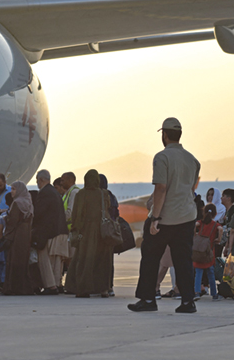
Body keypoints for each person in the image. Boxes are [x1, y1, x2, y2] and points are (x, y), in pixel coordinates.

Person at [128, 117, 201, 314]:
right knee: (183, 260)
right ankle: (188, 302)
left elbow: (161, 188)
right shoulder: (193, 160)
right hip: (186, 217)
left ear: (165, 135)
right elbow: (190, 188)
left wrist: (155, 219)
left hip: (166, 217)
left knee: (151, 258)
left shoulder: (162, 158)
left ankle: (148, 299)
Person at [64, 169, 114, 298]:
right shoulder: (103, 193)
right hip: (102, 233)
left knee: (85, 260)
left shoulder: (82, 194)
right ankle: (103, 289)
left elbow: (77, 214)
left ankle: (83, 289)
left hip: (86, 232)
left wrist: (75, 229)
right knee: (103, 261)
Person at [33, 169, 69, 295]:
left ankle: (50, 286)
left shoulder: (44, 193)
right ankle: (56, 284)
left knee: (45, 261)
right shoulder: (54, 192)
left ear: (41, 180)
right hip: (61, 231)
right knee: (56, 261)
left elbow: (39, 214)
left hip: (49, 232)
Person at [2, 181, 34, 295]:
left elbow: (13, 222)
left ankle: (14, 287)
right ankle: (24, 287)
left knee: (14, 260)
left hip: (17, 235)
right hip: (26, 234)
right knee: (22, 261)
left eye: (14, 189)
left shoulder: (17, 203)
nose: (11, 192)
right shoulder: (28, 202)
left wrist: (6, 220)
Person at [193, 204, 223, 301]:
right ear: (215, 214)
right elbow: (221, 229)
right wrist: (218, 239)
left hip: (198, 252)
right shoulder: (215, 225)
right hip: (209, 253)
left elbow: (194, 226)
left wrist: (195, 235)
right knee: (211, 273)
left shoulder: (200, 223)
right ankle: (214, 294)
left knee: (198, 273)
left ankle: (197, 292)